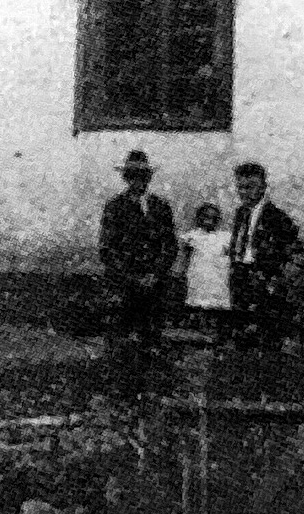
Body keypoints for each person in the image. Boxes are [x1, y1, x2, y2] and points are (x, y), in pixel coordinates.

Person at [97, 150, 177, 391]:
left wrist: (155, 274)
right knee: (121, 338)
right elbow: (107, 249)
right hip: (124, 286)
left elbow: (170, 246)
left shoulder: (161, 207)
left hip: (154, 286)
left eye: (142, 176)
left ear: (149, 178)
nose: (138, 181)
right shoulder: (114, 207)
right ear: (126, 178)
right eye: (132, 176)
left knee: (151, 337)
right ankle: (121, 388)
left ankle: (149, 389)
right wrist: (132, 277)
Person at [225, 162, 301, 353]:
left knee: (264, 328)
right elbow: (239, 240)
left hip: (263, 277)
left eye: (250, 187)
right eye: (241, 187)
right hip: (241, 274)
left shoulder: (277, 217)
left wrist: (275, 277)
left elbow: (290, 251)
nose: (244, 192)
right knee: (240, 325)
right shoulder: (241, 213)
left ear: (263, 187)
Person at [180, 202, 234, 341]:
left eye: (213, 218)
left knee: (216, 302)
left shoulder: (225, 237)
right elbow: (186, 255)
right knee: (199, 300)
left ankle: (214, 328)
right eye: (205, 217)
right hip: (199, 273)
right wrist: (184, 270)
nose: (209, 221)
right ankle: (199, 326)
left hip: (217, 275)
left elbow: (230, 255)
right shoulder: (193, 235)